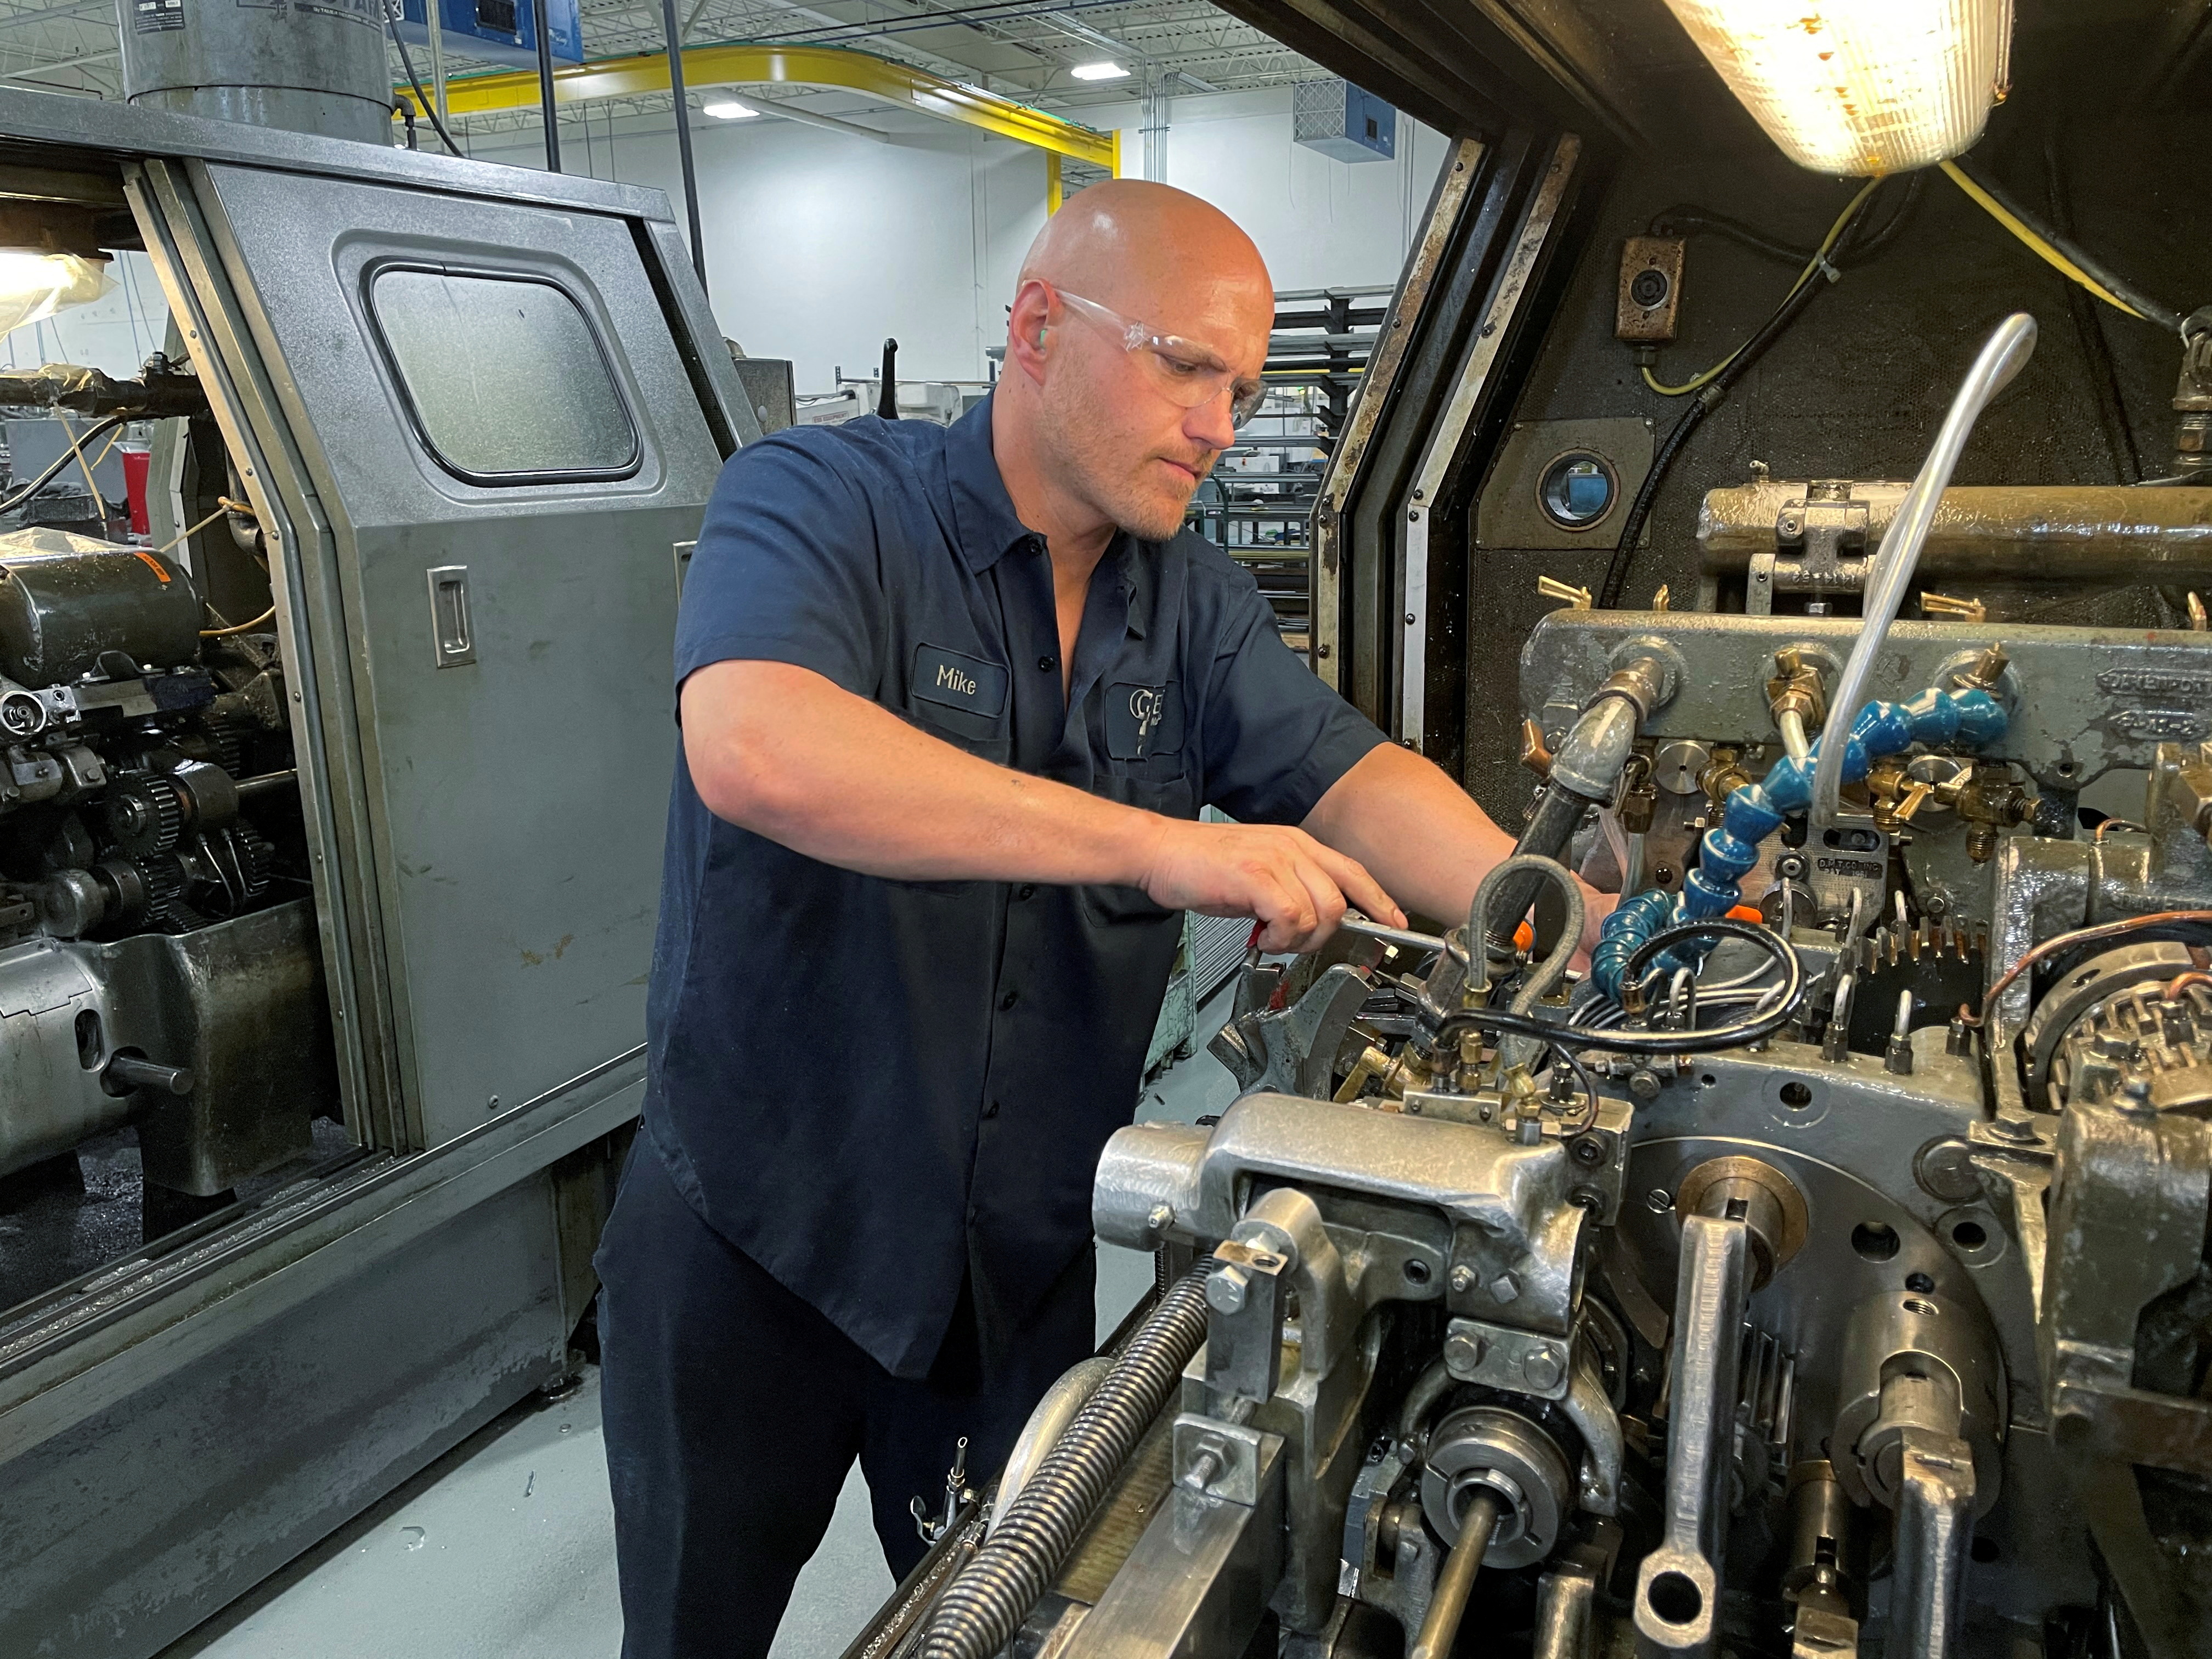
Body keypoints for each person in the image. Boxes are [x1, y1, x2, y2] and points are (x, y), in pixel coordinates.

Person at [595, 179, 1581, 1657]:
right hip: (762, 1235)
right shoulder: (819, 501)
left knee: (1009, 1625)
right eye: (1187, 366)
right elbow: (759, 749)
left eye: (1245, 388)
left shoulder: (1187, 600)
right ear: (1040, 327)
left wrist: (1574, 918)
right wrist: (1179, 851)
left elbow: (1351, 775)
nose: (1221, 424)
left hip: (1017, 1269)